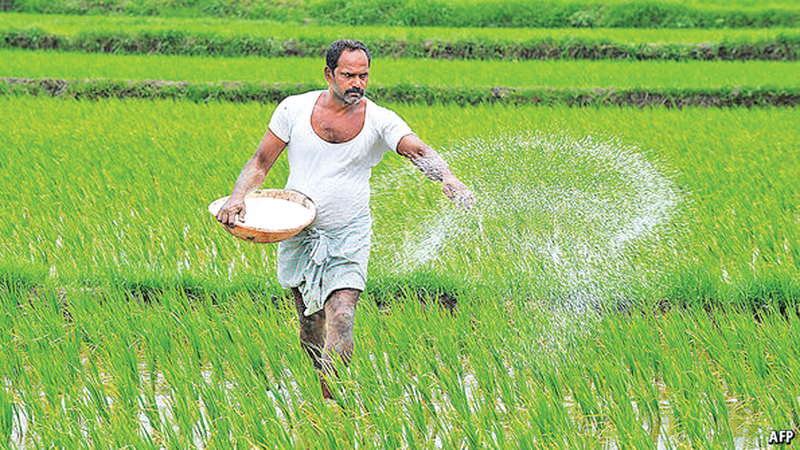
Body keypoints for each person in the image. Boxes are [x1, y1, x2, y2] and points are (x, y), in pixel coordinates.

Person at [215, 39, 474, 399]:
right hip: (298, 231)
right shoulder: (294, 109)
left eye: (363, 75)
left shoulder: (381, 120)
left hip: (348, 231)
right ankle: (321, 380)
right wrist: (238, 196)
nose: (357, 83)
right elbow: (260, 163)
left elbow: (417, 149)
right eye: (349, 75)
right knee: (310, 326)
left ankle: (331, 399)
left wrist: (446, 176)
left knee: (343, 313)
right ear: (329, 74)